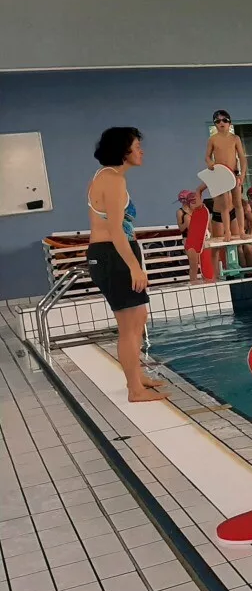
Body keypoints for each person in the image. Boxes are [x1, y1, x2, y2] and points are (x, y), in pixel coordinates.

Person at [86, 128, 166, 402]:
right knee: (129, 325)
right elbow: (116, 231)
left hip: (112, 253)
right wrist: (134, 267)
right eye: (137, 146)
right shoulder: (113, 181)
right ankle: (135, 389)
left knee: (138, 318)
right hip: (113, 254)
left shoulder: (108, 177)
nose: (141, 151)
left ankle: (137, 377)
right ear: (123, 151)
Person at [204, 110, 246, 239]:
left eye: (224, 120)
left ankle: (241, 230)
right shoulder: (212, 139)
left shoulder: (235, 138)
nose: (221, 123)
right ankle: (227, 231)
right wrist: (210, 163)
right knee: (224, 204)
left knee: (237, 203)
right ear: (215, 124)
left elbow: (242, 158)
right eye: (217, 121)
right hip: (221, 174)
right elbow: (207, 156)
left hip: (233, 173)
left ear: (229, 123)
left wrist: (242, 175)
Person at [176, 189, 207, 282]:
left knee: (202, 262)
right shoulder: (181, 213)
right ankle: (194, 282)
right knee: (194, 264)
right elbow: (181, 229)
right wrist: (187, 222)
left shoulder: (195, 211)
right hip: (188, 239)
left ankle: (204, 279)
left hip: (199, 238)